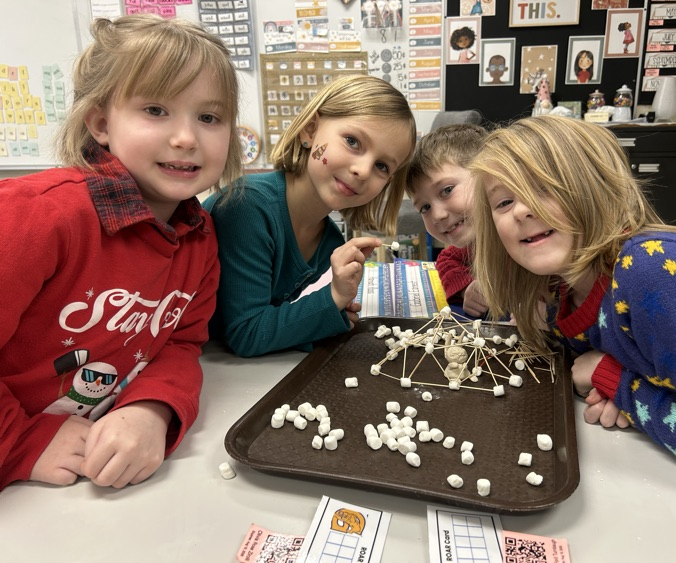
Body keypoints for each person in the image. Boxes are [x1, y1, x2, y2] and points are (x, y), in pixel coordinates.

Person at [0, 14, 243, 491]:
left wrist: (150, 409)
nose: (187, 138)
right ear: (100, 123)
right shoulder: (36, 217)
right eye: (156, 110)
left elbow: (180, 343)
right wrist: (23, 440)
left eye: (209, 117)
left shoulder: (200, 235)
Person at [470, 115, 676, 491]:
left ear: (593, 186)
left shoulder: (650, 269)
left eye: (544, 187)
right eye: (504, 201)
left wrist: (616, 383)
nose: (522, 210)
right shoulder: (558, 294)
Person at [204, 75, 416, 357]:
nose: (363, 170)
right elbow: (246, 333)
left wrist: (329, 313)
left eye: (381, 166)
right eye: (353, 141)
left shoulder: (329, 240)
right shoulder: (248, 206)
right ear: (310, 130)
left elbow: (269, 318)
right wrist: (332, 300)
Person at [406, 124, 488, 318]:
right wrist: (466, 287)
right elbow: (446, 259)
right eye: (425, 208)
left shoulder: (522, 235)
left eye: (447, 190)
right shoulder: (472, 245)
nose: (437, 215)